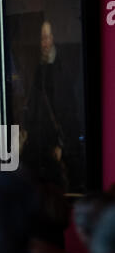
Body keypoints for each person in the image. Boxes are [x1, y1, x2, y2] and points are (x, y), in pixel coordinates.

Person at [22, 21, 82, 192]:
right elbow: (33, 107)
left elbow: (69, 111)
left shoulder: (63, 70)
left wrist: (63, 146)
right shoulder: (38, 70)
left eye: (47, 37)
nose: (44, 42)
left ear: (54, 39)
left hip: (57, 146)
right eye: (42, 38)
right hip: (39, 146)